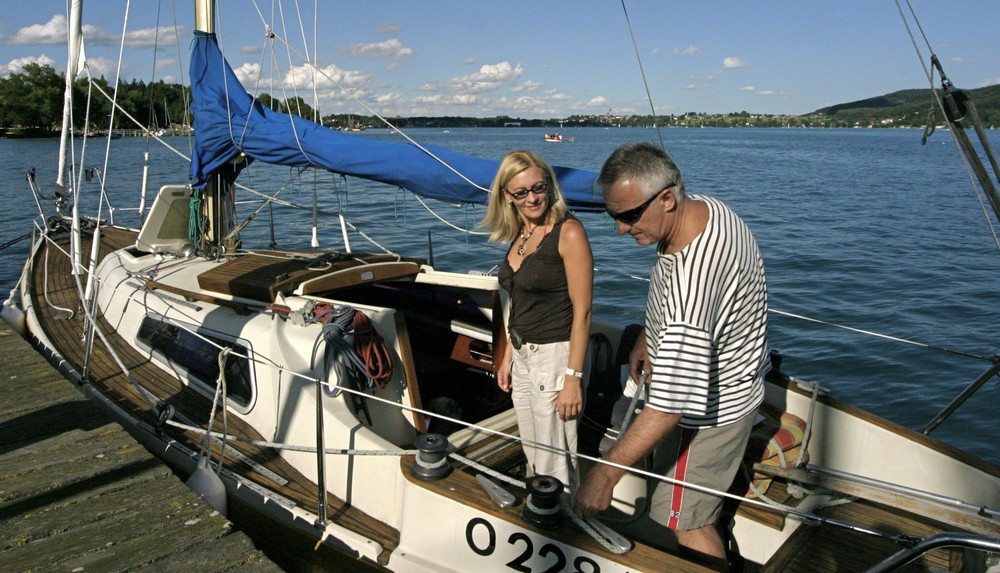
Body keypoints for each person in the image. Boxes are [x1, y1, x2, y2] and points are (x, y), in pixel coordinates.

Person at [574, 142, 769, 562]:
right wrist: (649, 334)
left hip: (703, 420)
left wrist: (605, 474)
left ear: (666, 197)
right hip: (741, 385)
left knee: (688, 522)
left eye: (628, 217)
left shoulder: (690, 288)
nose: (621, 230)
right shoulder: (708, 211)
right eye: (614, 217)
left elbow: (670, 406)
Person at [481, 149, 593, 492]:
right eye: (522, 192)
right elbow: (518, 298)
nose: (532, 198)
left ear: (550, 187)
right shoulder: (522, 232)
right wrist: (508, 355)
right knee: (533, 446)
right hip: (524, 355)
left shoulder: (568, 232)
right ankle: (543, 510)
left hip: (555, 357)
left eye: (539, 188)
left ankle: (563, 523)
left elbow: (583, 311)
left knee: (555, 455)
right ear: (507, 197)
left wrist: (572, 378)